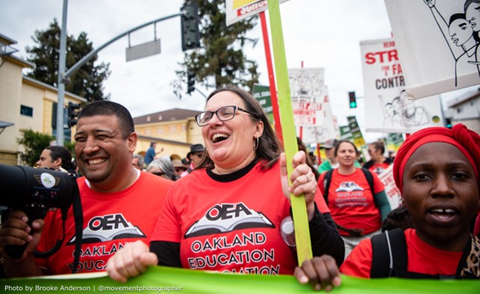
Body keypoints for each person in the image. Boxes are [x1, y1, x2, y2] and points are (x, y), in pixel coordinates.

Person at [106, 87, 345, 282]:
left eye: (227, 112)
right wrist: (137, 260)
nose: (213, 122)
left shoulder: (287, 174)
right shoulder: (181, 189)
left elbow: (332, 257)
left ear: (257, 128)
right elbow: (164, 271)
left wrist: (305, 209)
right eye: (207, 116)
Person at [295, 124, 480, 290]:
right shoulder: (372, 257)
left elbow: (383, 203)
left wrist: (383, 226)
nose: (442, 189)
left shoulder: (368, 175)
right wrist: (316, 285)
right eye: (423, 176)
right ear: (403, 195)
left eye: (459, 176)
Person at [0, 101, 171, 277]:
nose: (88, 148)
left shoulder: (171, 195)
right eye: (81, 139)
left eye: (102, 136)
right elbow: (31, 285)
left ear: (131, 142)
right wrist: (20, 257)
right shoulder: (55, 198)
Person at [317, 140, 391, 259]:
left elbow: (384, 204)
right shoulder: (325, 177)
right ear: (335, 156)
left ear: (356, 155)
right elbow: (320, 208)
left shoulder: (369, 175)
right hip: (341, 239)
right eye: (343, 151)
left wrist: (386, 228)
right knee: (347, 274)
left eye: (351, 151)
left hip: (373, 236)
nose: (347, 154)